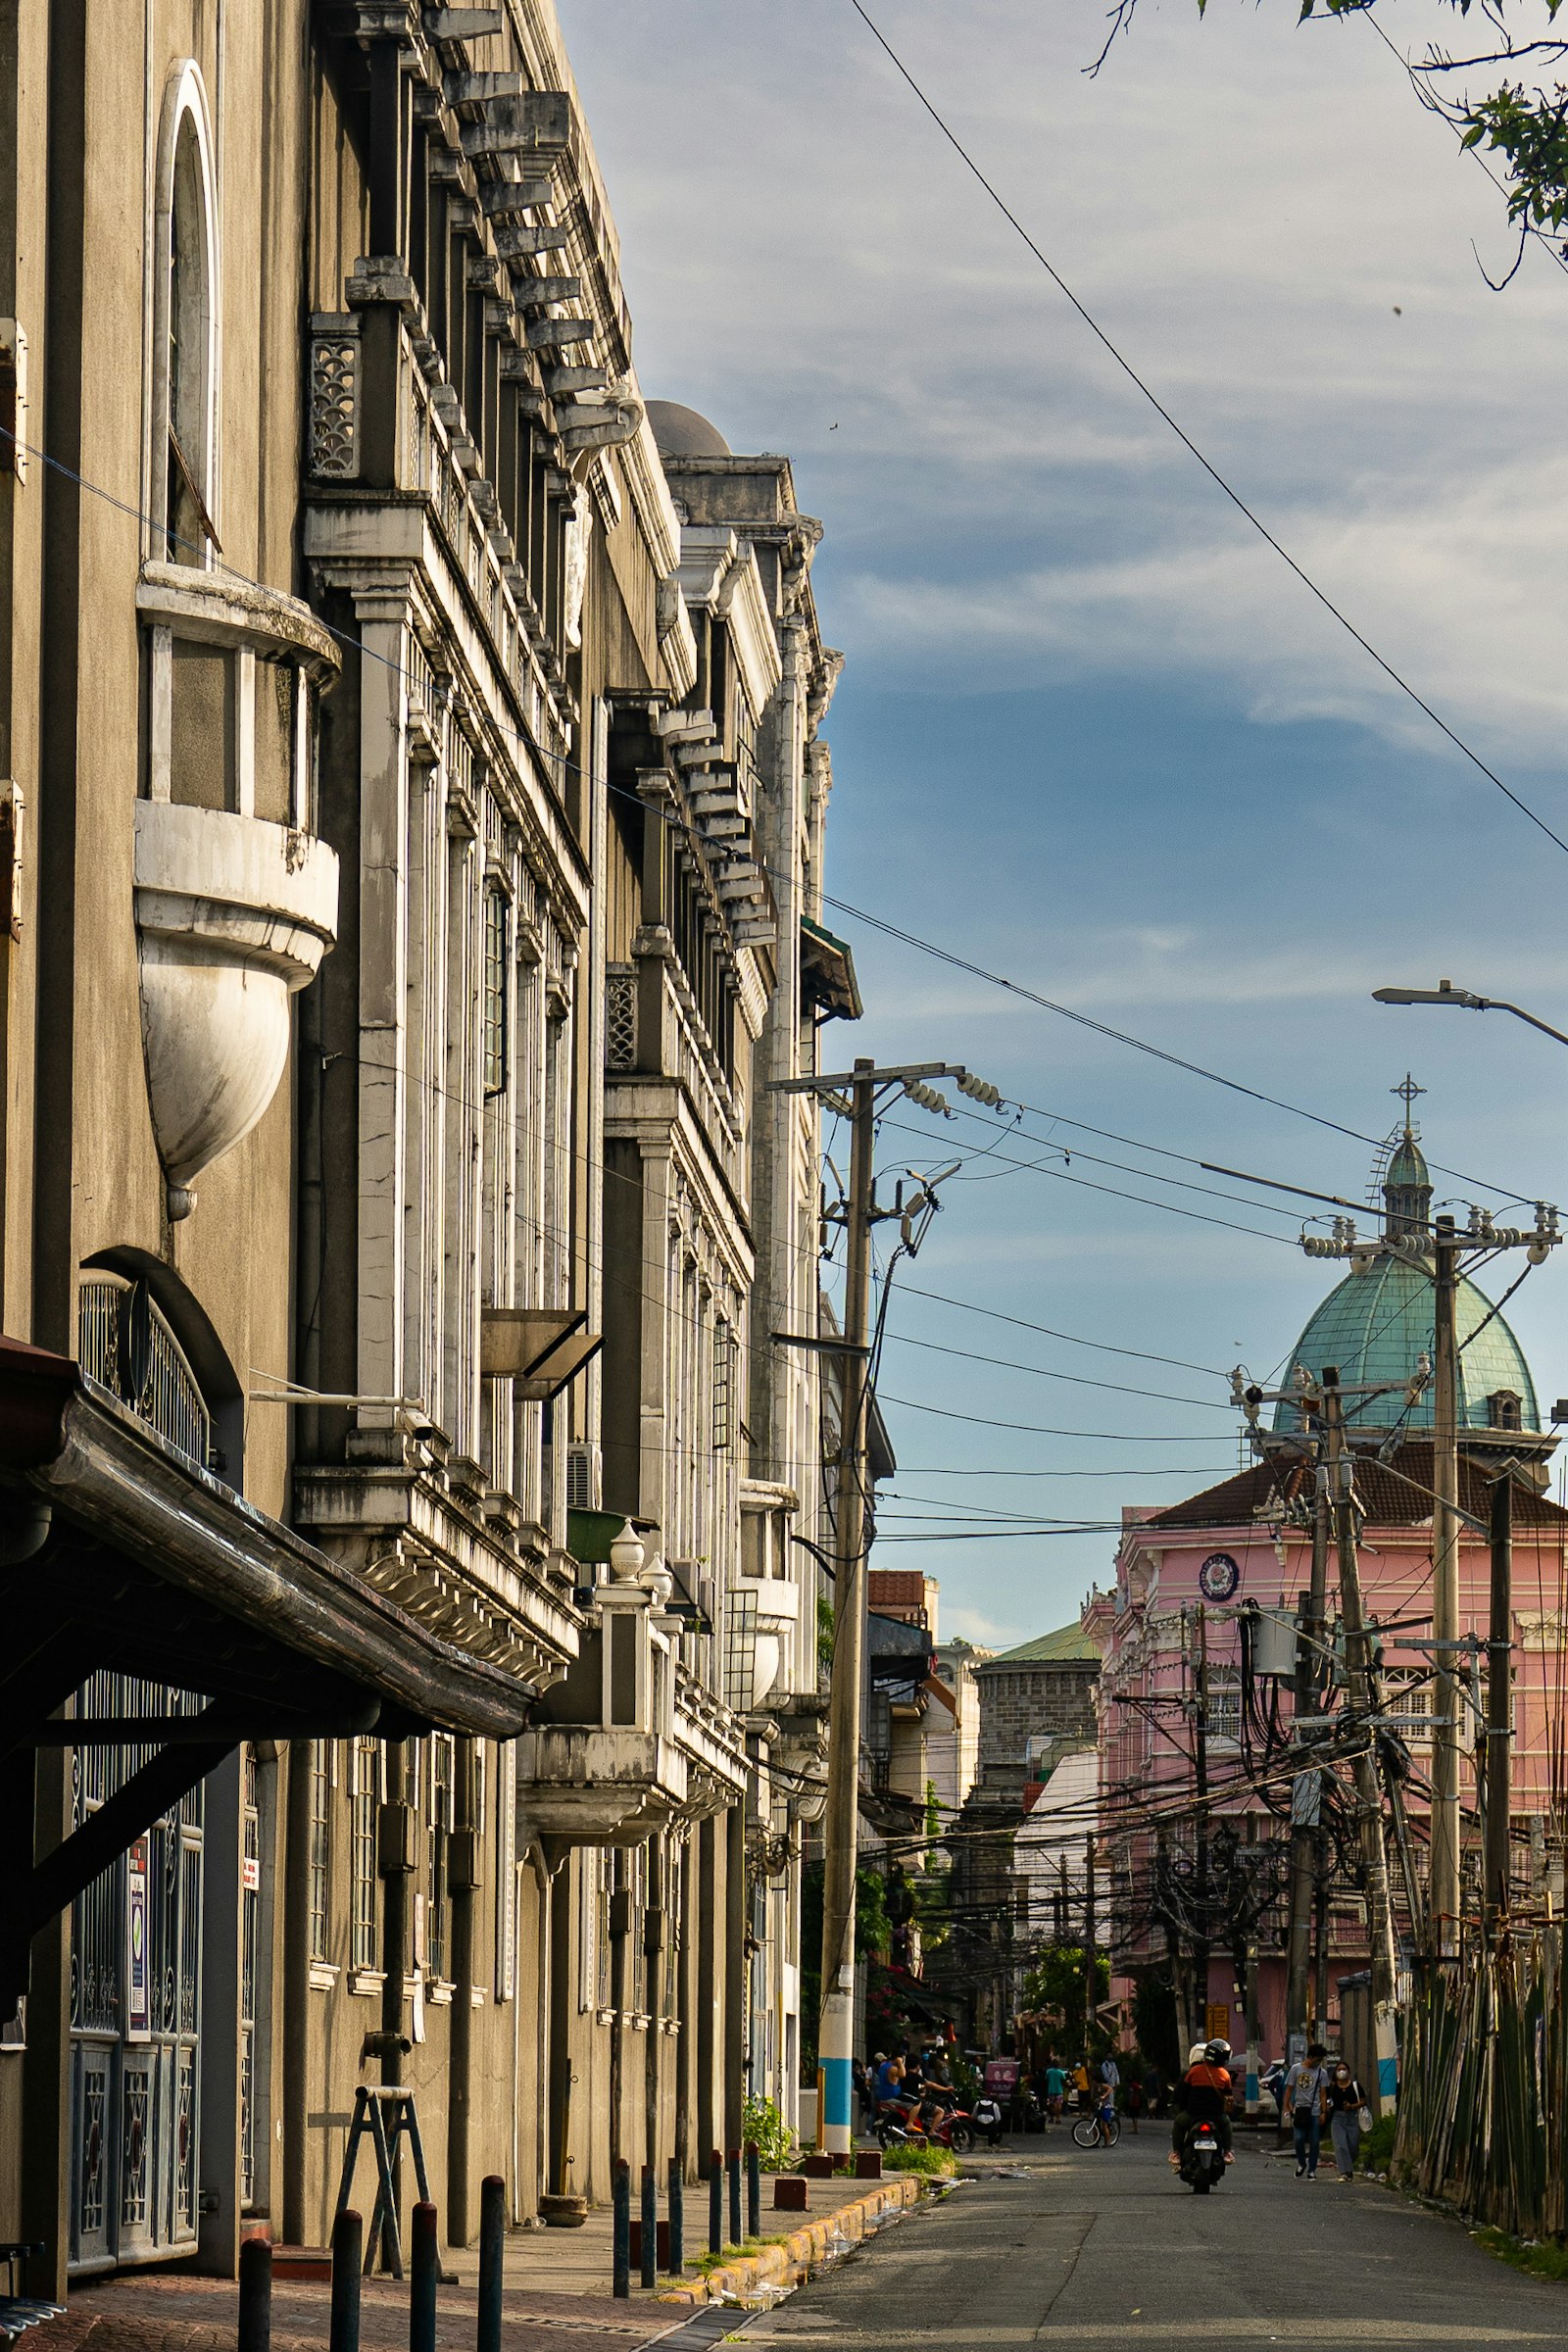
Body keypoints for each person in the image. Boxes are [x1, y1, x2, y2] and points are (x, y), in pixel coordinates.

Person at [1169, 2039, 1235, 2170]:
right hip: (1216, 2115)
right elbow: (1228, 2095)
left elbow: (1182, 2092)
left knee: (1178, 2124)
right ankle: (1227, 2152)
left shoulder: (1193, 2071)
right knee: (1227, 2124)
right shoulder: (1225, 2075)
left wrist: (1176, 2104)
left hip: (1193, 2114)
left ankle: (1176, 2153)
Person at [1284, 2042, 1331, 2180]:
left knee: (1314, 2142)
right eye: (1317, 2060)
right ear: (1310, 2057)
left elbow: (1323, 2093)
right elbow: (1289, 2088)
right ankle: (1301, 2163)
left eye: (1320, 2061)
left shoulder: (1322, 2073)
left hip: (1315, 2111)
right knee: (1298, 2139)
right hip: (1300, 2110)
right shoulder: (1296, 2069)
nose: (1318, 2063)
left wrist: (1323, 2111)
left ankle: (1312, 2169)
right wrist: (1287, 2105)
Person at [1326, 2060, 1366, 2182]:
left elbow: (1363, 2101)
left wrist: (1352, 2106)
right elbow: (1327, 2100)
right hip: (1337, 2119)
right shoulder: (1332, 2087)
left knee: (1353, 2146)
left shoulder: (1355, 2086)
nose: (1341, 2071)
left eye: (1344, 2069)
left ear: (1348, 2071)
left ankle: (1348, 2166)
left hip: (1352, 2117)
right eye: (1339, 2069)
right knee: (1340, 2146)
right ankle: (1345, 2172)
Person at [1044, 2057, 1066, 2124]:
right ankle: (1058, 2118)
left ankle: (1051, 2118)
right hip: (1059, 2090)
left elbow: (1046, 2079)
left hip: (1051, 2090)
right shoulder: (1061, 2072)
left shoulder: (1048, 2071)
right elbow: (1063, 2081)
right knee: (1059, 2104)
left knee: (1051, 2104)